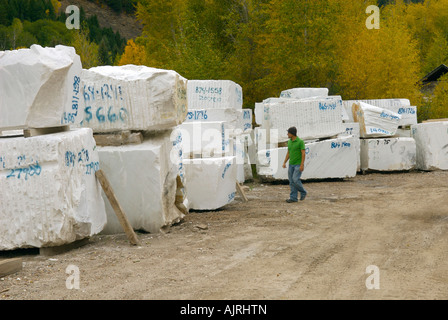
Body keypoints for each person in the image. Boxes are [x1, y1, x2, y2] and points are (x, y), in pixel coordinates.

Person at [282, 127, 307, 203]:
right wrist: (284, 162)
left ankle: (303, 192)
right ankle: (293, 197)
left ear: (292, 133)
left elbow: (303, 153)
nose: (287, 134)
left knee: (295, 179)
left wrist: (302, 164)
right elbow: (288, 153)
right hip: (291, 165)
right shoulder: (289, 142)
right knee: (291, 181)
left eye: (288, 133)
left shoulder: (300, 142)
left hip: (298, 164)